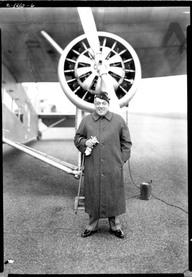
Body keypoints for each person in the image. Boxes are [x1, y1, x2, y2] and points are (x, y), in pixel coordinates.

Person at [74, 91, 132, 238]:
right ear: (94, 104)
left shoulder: (118, 120)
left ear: (108, 104)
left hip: (113, 166)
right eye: (98, 103)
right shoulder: (86, 120)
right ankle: (91, 226)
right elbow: (77, 138)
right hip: (93, 165)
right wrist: (84, 143)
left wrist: (121, 160)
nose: (101, 106)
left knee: (114, 195)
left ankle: (116, 226)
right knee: (93, 194)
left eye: (103, 103)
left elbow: (127, 143)